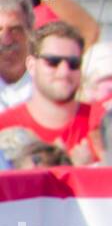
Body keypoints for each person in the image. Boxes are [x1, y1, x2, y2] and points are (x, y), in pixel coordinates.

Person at [0, 21, 92, 162]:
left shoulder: (101, 125)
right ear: (31, 65)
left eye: (73, 63)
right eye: (52, 62)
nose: (64, 72)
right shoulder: (5, 126)